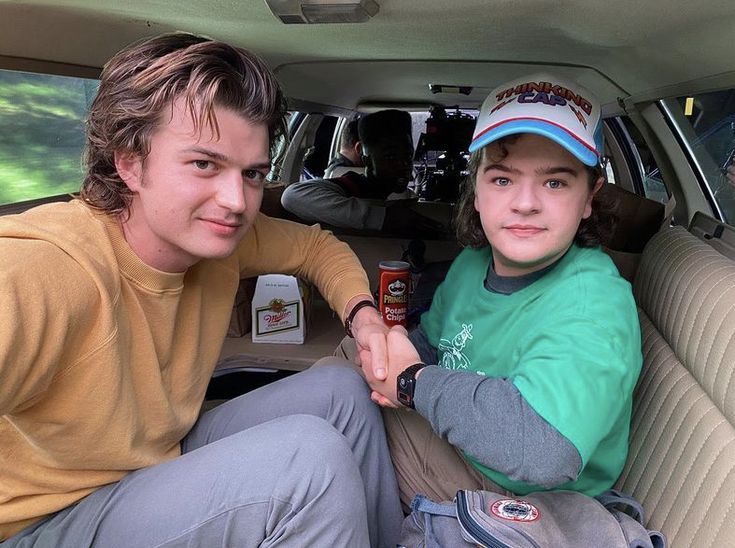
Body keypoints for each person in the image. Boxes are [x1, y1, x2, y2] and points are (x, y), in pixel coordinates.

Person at [0, 33, 402, 547]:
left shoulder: (220, 240)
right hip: (47, 520)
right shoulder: (46, 268)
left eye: (253, 173)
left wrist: (366, 319)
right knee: (308, 459)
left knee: (343, 391)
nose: (236, 201)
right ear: (129, 162)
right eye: (204, 164)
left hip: (150, 460)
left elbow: (316, 248)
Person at [352, 73, 643, 509]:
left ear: (589, 197)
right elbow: (432, 344)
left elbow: (546, 451)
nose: (525, 202)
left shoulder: (594, 303)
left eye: (555, 182)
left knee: (333, 417)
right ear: (476, 192)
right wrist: (395, 352)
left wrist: (411, 384)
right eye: (503, 180)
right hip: (458, 448)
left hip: (520, 497)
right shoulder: (474, 263)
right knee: (343, 372)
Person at [281, 109, 445, 237]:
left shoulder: (405, 196)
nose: (404, 164)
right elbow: (291, 196)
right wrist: (381, 217)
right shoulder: (348, 186)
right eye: (390, 156)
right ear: (365, 158)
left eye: (408, 155)